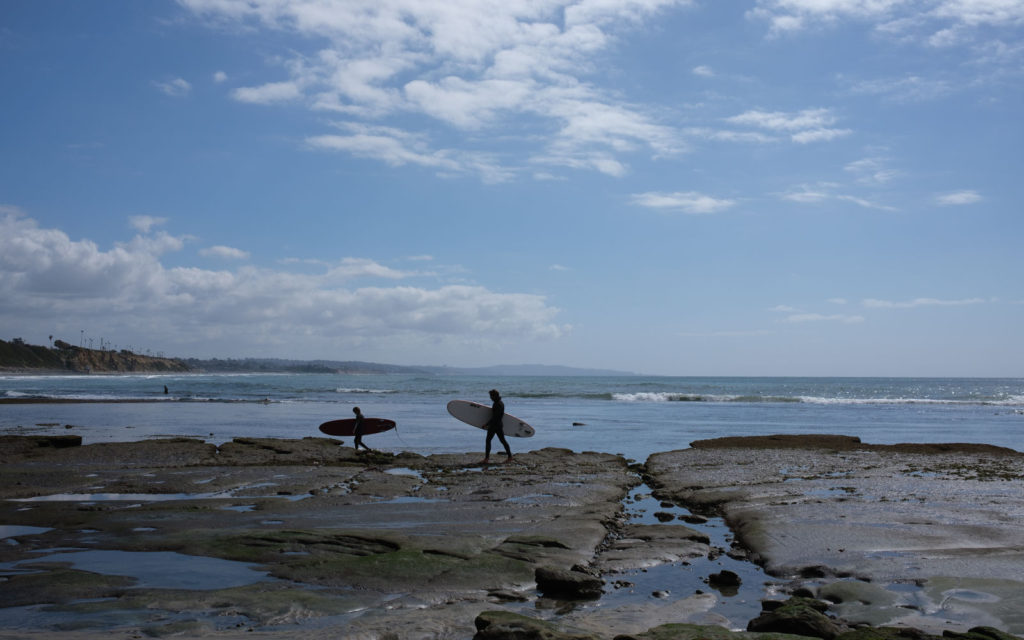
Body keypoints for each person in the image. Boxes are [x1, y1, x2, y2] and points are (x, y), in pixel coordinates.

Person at [481, 389, 513, 464]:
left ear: (494, 396)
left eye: (491, 396)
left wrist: (486, 424)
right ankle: (509, 457)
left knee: (491, 441)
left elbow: (495, 417)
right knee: (502, 441)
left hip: (495, 426)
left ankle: (487, 459)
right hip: (497, 425)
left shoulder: (498, 404)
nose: (490, 398)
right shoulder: (498, 403)